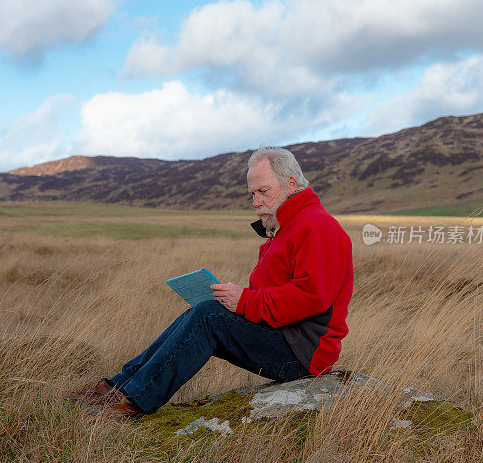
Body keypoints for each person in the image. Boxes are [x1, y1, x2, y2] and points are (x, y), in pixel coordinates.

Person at [68, 145, 354, 420]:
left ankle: (135, 403)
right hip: (284, 337)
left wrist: (243, 301)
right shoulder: (285, 228)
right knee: (203, 310)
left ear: (291, 184)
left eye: (263, 191)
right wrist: (236, 301)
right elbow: (274, 294)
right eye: (252, 193)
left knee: (207, 317)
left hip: (304, 353)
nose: (256, 202)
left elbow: (312, 297)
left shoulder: (317, 226)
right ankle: (116, 388)